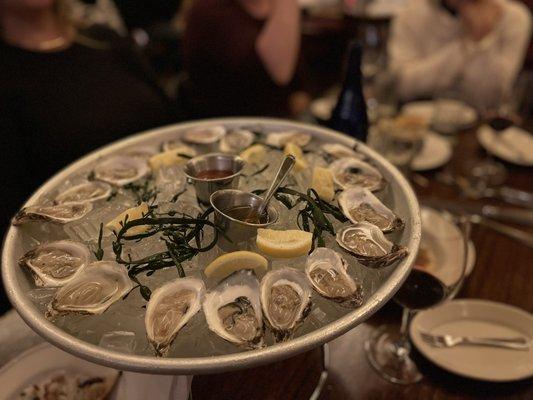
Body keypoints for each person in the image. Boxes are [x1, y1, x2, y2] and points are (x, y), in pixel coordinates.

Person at [0, 0, 180, 314]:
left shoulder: (105, 38)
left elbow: (171, 125)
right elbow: (14, 217)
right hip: (95, 279)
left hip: (176, 222)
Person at [388, 0, 532, 110]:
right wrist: (468, 45)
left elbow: (490, 99)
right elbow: (402, 86)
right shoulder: (411, 13)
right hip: (416, 121)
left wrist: (483, 38)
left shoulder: (514, 18)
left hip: (478, 130)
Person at [181, 0, 303, 117]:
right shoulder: (209, 10)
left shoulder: (269, 5)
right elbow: (279, 71)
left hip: (275, 122)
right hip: (224, 124)